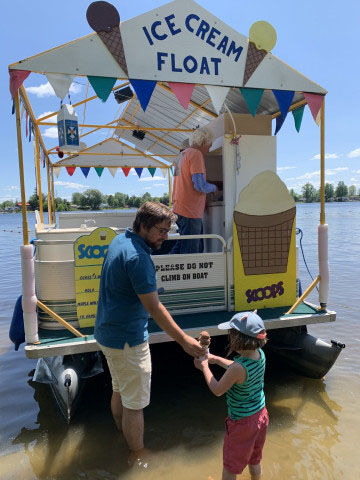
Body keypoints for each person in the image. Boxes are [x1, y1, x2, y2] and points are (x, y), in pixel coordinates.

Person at [95, 202, 204, 465]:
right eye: (161, 231)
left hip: (108, 333)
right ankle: (137, 455)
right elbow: (154, 308)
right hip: (127, 340)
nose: (166, 237)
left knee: (120, 389)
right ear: (143, 226)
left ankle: (122, 437)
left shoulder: (121, 241)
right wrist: (184, 340)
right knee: (135, 403)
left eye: (168, 231)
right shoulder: (138, 257)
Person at [194, 311, 269, 480]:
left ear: (238, 339)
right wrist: (216, 359)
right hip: (261, 416)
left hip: (242, 422)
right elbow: (238, 369)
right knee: (255, 459)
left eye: (231, 335)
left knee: (230, 466)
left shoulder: (238, 368)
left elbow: (218, 389)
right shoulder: (260, 355)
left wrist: (205, 366)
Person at [171, 126, 220, 254]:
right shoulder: (196, 154)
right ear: (204, 142)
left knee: (181, 246)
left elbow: (185, 181)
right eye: (209, 146)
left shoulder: (180, 156)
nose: (208, 150)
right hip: (190, 211)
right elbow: (200, 186)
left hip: (179, 208)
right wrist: (214, 188)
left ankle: (166, 272)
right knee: (192, 252)